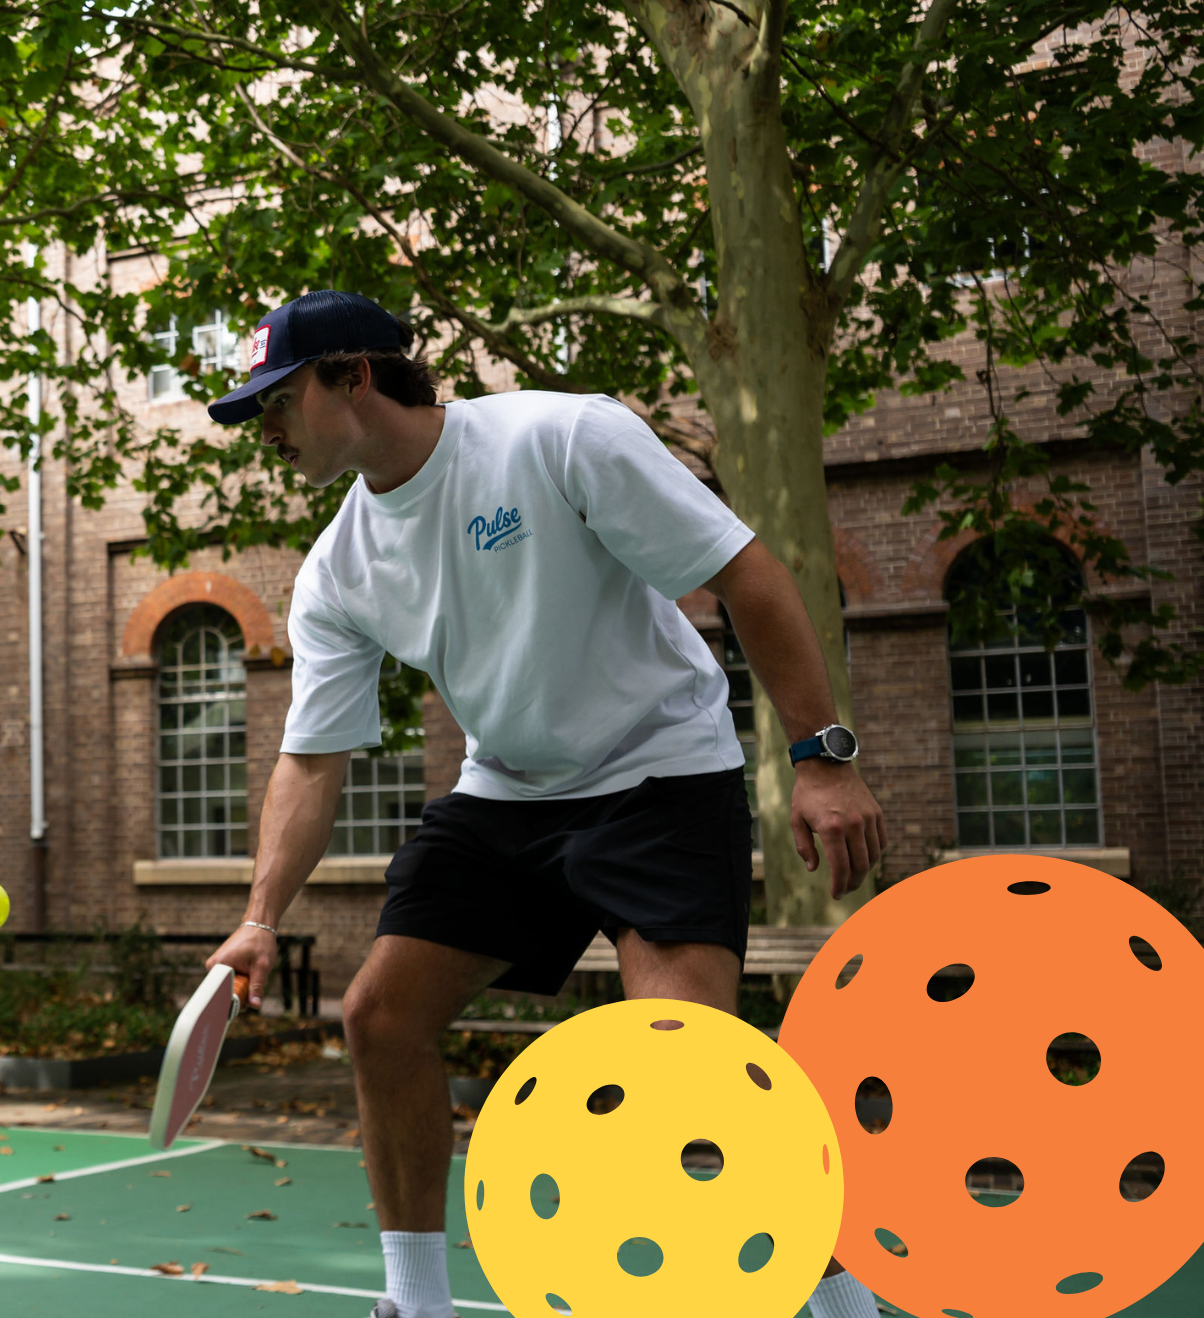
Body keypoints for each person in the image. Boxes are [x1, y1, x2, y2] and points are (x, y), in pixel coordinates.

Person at [201, 291, 885, 1318]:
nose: (266, 427)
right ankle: (415, 1303)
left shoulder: (556, 436)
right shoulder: (337, 566)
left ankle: (841, 1304)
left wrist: (820, 757)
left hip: (658, 777)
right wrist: (259, 918)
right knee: (381, 1018)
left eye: (277, 398)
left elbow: (745, 574)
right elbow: (309, 761)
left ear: (351, 374)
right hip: (506, 795)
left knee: (688, 1077)